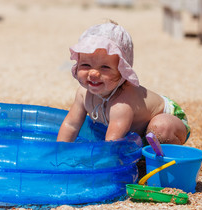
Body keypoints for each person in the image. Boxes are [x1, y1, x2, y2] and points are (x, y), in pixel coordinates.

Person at [57, 21, 190, 144]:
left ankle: (160, 157)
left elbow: (112, 142)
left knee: (161, 127)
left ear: (122, 72)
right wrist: (59, 153)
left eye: (105, 67)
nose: (93, 73)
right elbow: (71, 125)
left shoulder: (121, 103)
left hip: (169, 119)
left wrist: (99, 164)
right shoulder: (82, 94)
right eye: (85, 65)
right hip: (136, 132)